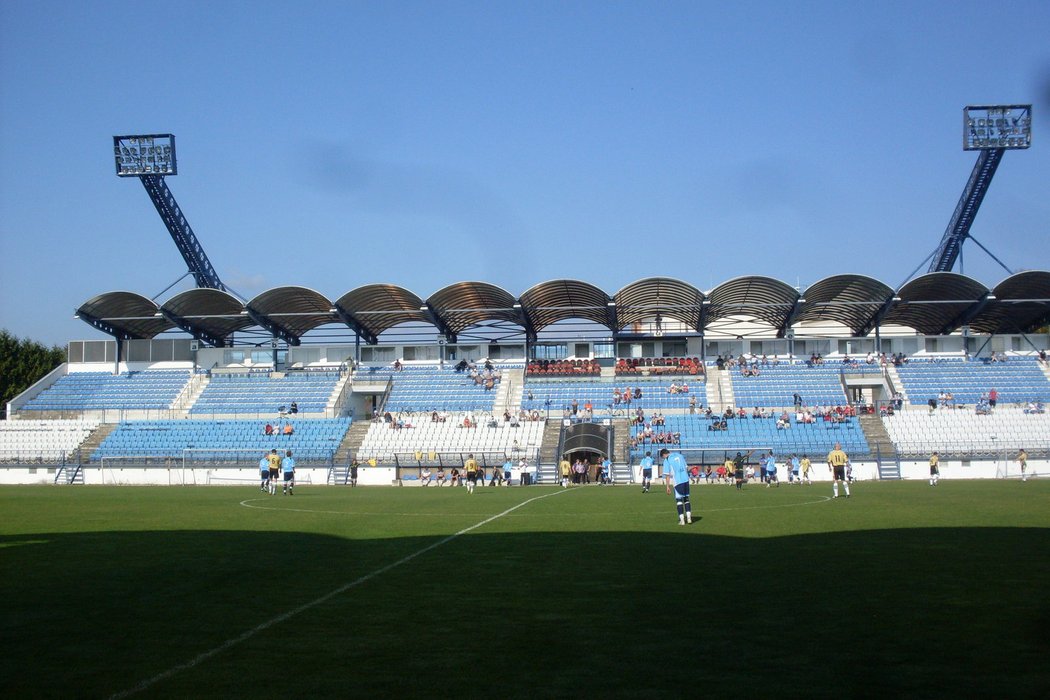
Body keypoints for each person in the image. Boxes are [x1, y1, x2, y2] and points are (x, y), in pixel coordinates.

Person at [660, 448, 693, 526]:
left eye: (663, 457)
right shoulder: (680, 455)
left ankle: (682, 520)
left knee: (679, 500)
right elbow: (686, 467)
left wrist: (667, 486)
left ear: (664, 455)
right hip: (686, 480)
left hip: (678, 481)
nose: (663, 458)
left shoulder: (667, 460)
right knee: (686, 499)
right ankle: (689, 518)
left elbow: (667, 475)